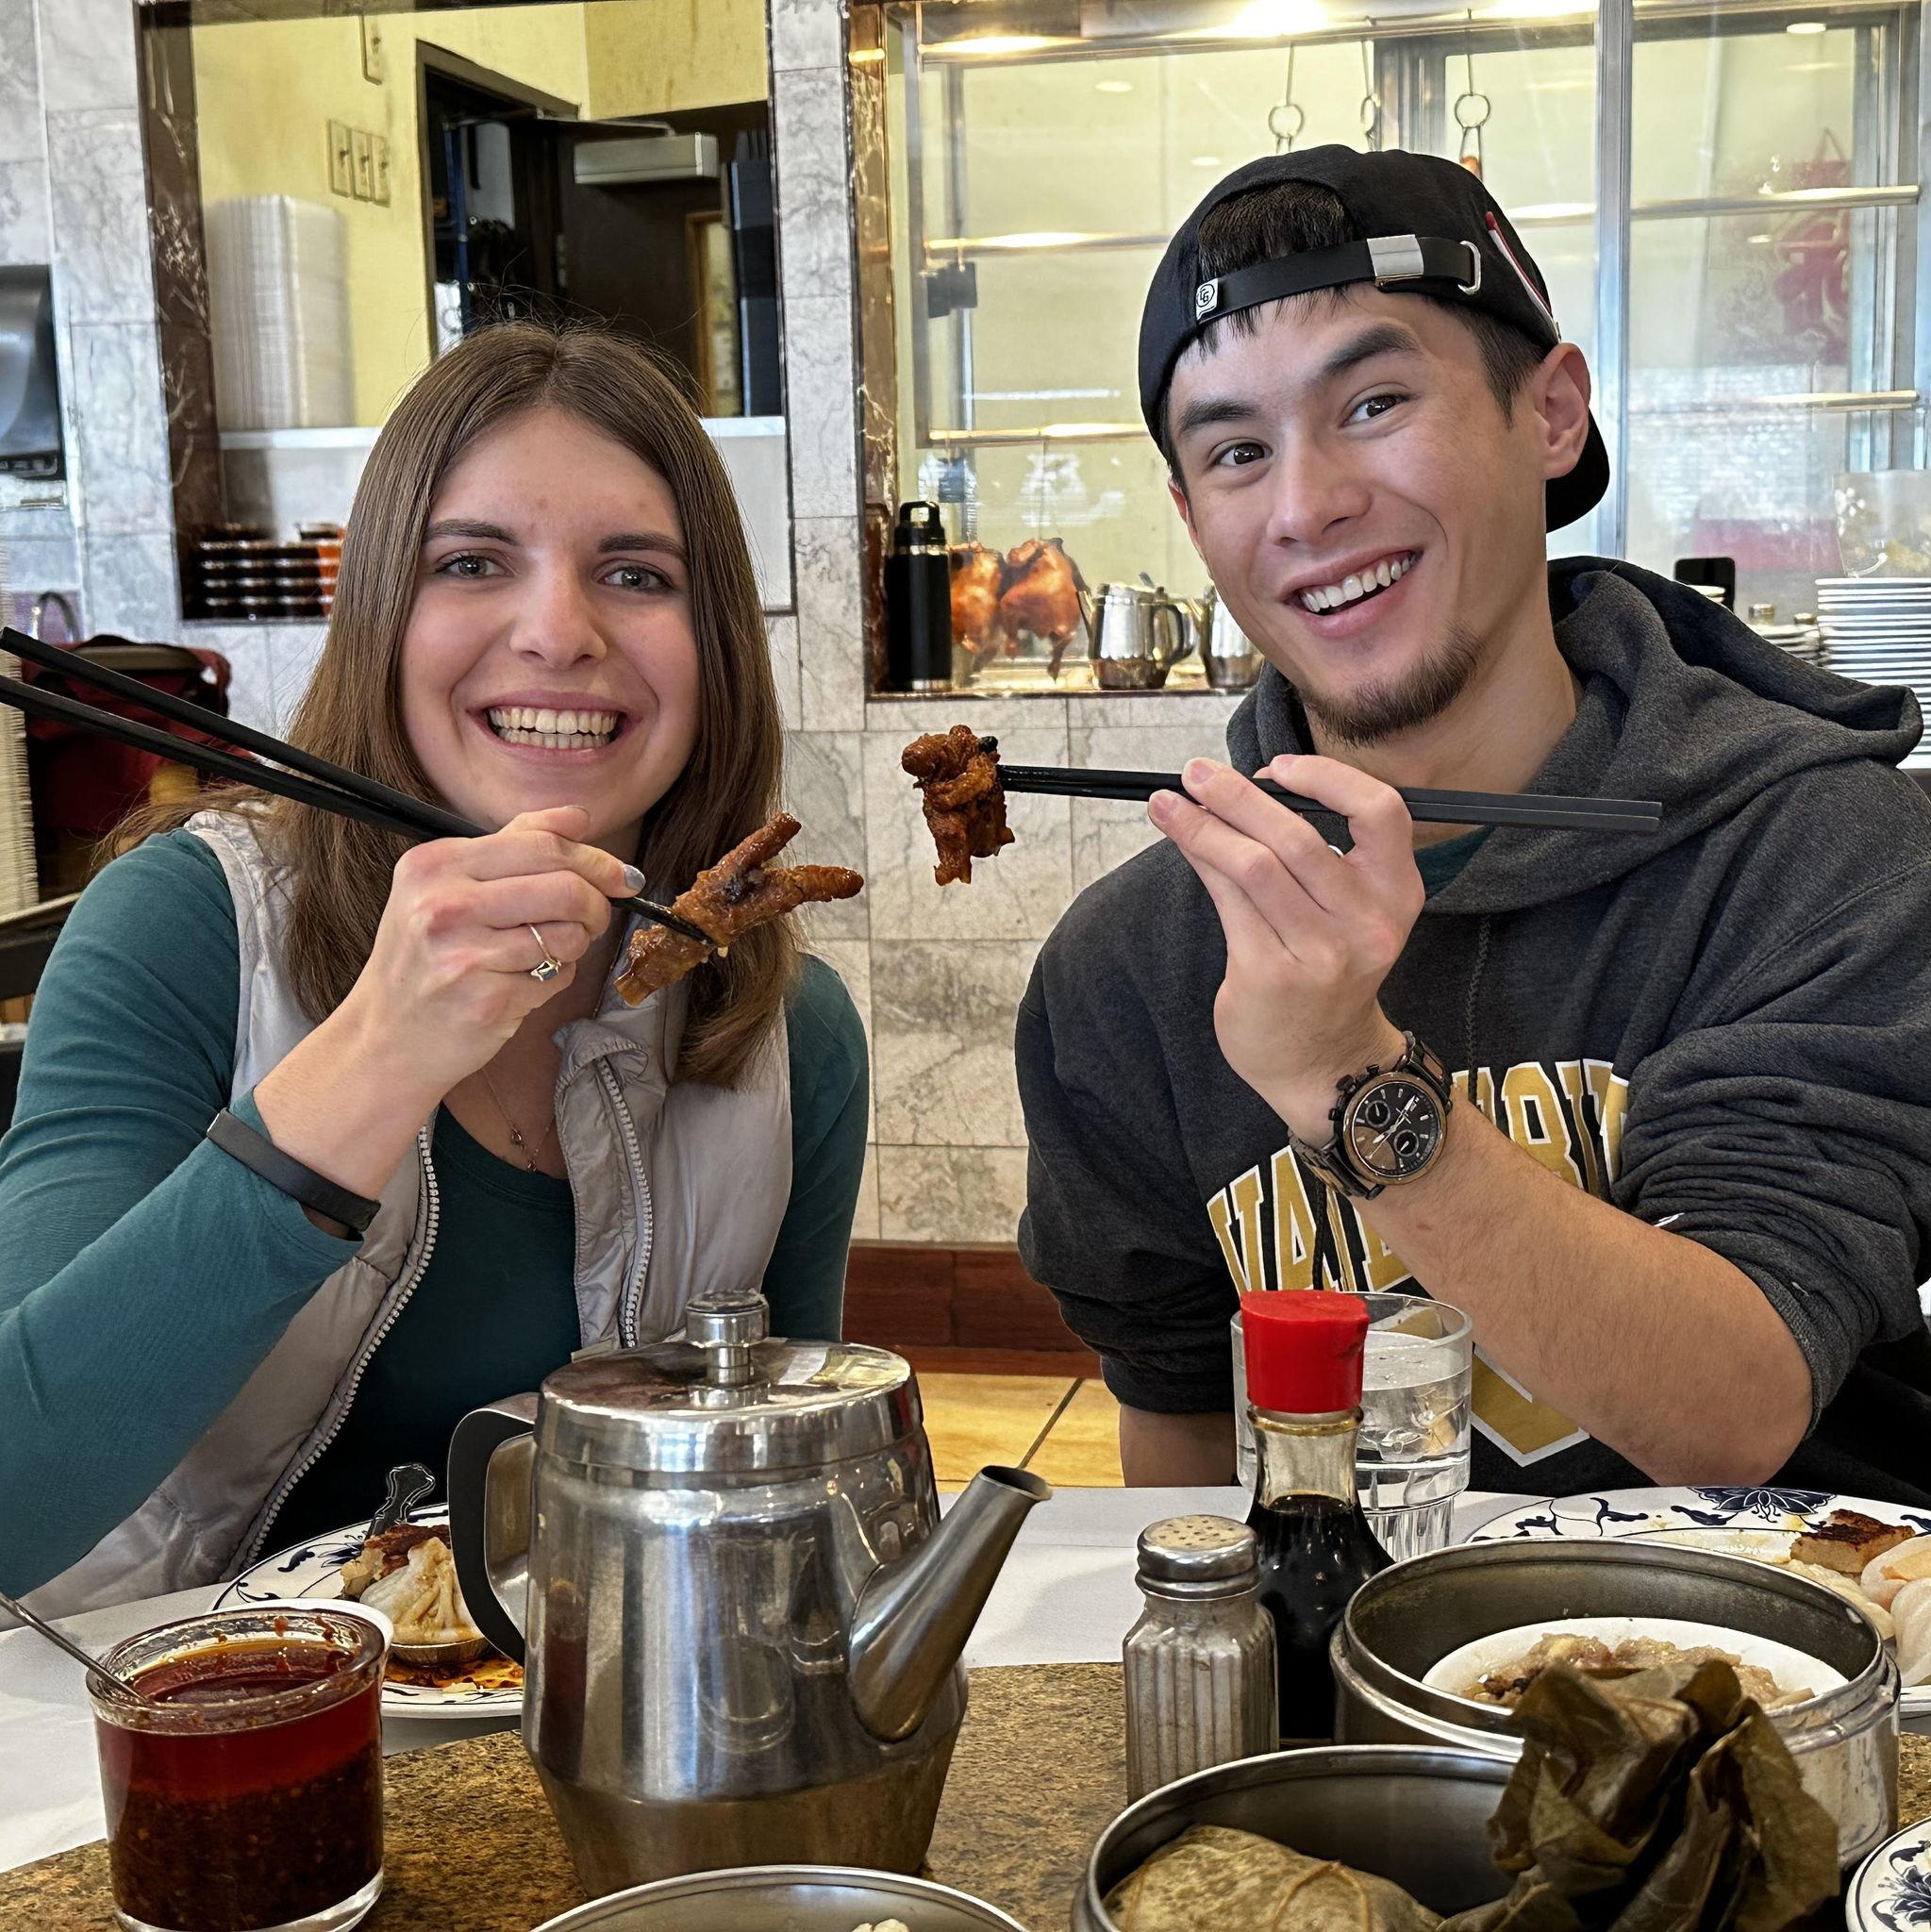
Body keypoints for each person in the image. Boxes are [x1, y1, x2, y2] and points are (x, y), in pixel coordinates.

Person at [1017, 148, 1931, 1503]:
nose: (1307, 505)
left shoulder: (1816, 852)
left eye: (1375, 402)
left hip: (1780, 1687)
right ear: (1190, 517)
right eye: (1235, 452)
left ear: (1551, 411)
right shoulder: (1132, 971)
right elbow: (1186, 1463)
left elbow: (1734, 1408)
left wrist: (1353, 1085)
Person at [0, 322, 869, 1612]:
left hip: (573, 1742)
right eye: (471, 562)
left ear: (716, 645)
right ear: (381, 619)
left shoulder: (783, 1027)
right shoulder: (185, 926)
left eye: (635, 574)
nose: (557, 633)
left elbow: (793, 1486)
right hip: (175, 1737)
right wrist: (378, 1055)